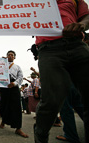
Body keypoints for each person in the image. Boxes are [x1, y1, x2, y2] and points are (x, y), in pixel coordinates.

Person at [34, 0, 89, 142]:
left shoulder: (76, 0)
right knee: (50, 102)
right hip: (48, 49)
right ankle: (40, 135)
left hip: (77, 46)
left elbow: (86, 16)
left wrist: (82, 24)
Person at [0, 50, 28, 138]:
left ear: (14, 57)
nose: (10, 56)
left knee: (16, 107)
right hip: (4, 86)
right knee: (4, 105)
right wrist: (0, 61)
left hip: (14, 86)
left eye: (12, 55)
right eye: (8, 55)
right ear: (6, 56)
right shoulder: (2, 65)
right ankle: (3, 121)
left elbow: (20, 77)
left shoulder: (17, 67)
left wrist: (14, 83)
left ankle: (18, 128)